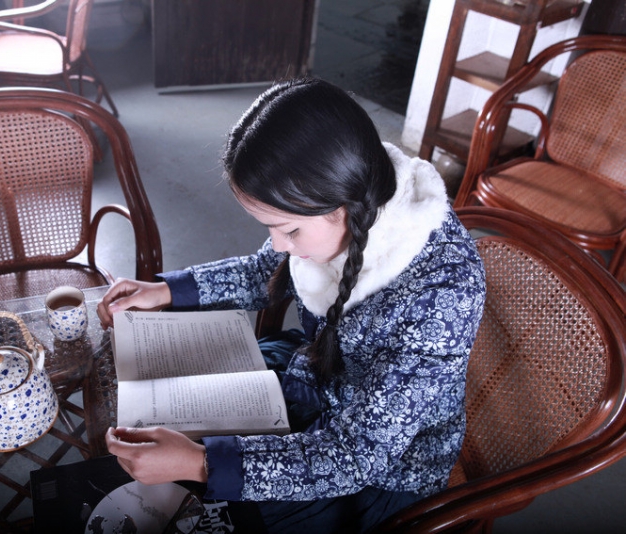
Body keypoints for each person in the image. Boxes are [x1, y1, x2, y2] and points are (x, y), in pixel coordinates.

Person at [97, 77, 486, 533]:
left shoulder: (442, 291)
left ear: (343, 206)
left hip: (383, 472)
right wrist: (162, 291)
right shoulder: (345, 192)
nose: (278, 245)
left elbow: (355, 455)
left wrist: (200, 463)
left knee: (205, 511)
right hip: (315, 377)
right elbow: (264, 271)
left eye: (289, 230)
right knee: (165, 403)